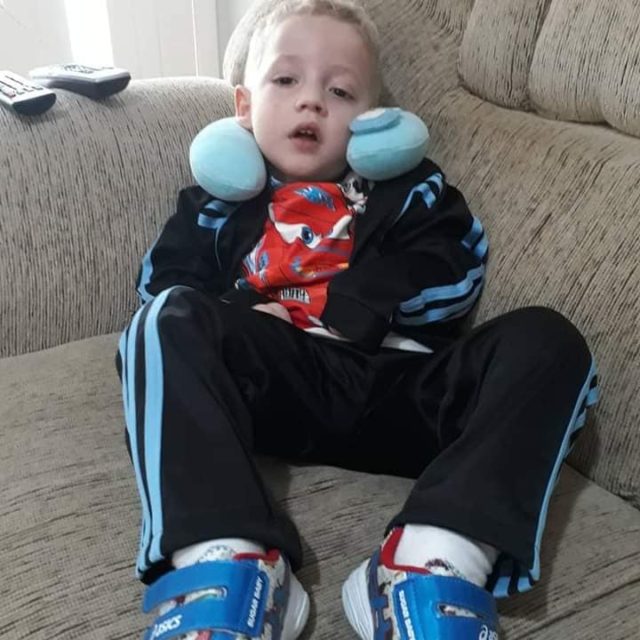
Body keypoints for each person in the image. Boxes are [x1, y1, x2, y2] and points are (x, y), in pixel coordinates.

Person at [115, 1, 599, 638]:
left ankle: (433, 561)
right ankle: (227, 562)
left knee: (550, 341)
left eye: (340, 91)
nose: (311, 101)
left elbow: (454, 270)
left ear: (372, 121)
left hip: (399, 386)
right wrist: (243, 311)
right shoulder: (213, 206)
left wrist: (356, 308)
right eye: (286, 80)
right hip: (276, 386)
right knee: (161, 321)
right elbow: (163, 286)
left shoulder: (411, 192)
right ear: (244, 106)